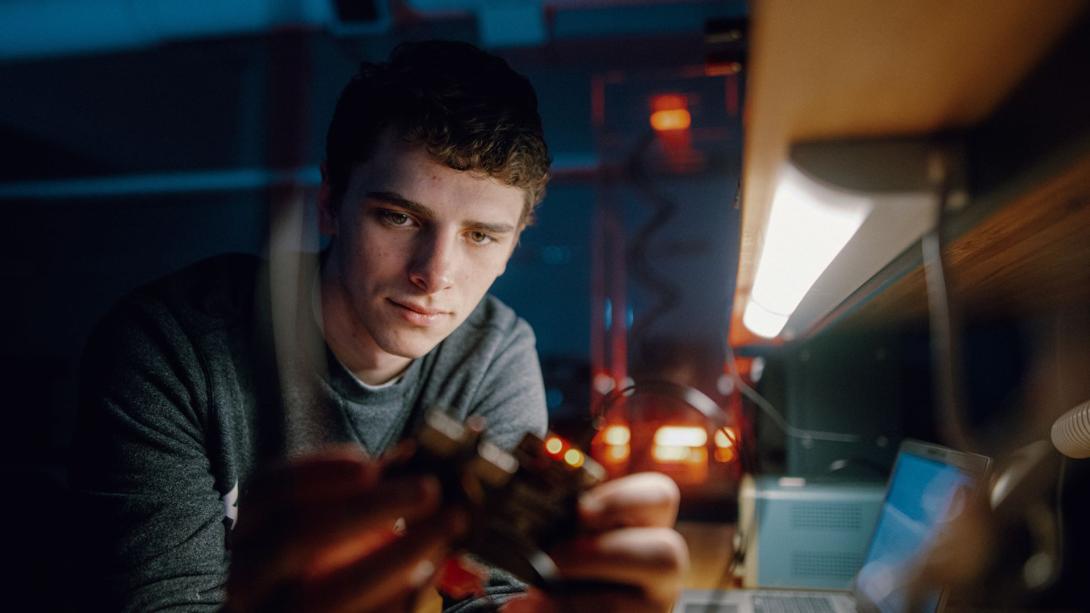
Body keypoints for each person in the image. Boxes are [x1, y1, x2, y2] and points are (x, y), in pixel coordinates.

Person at [70, 40, 688, 612]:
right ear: (330, 203)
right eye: (398, 217)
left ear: (510, 250)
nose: (435, 273)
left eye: (479, 236)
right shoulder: (171, 349)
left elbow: (487, 599)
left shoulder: (493, 354)